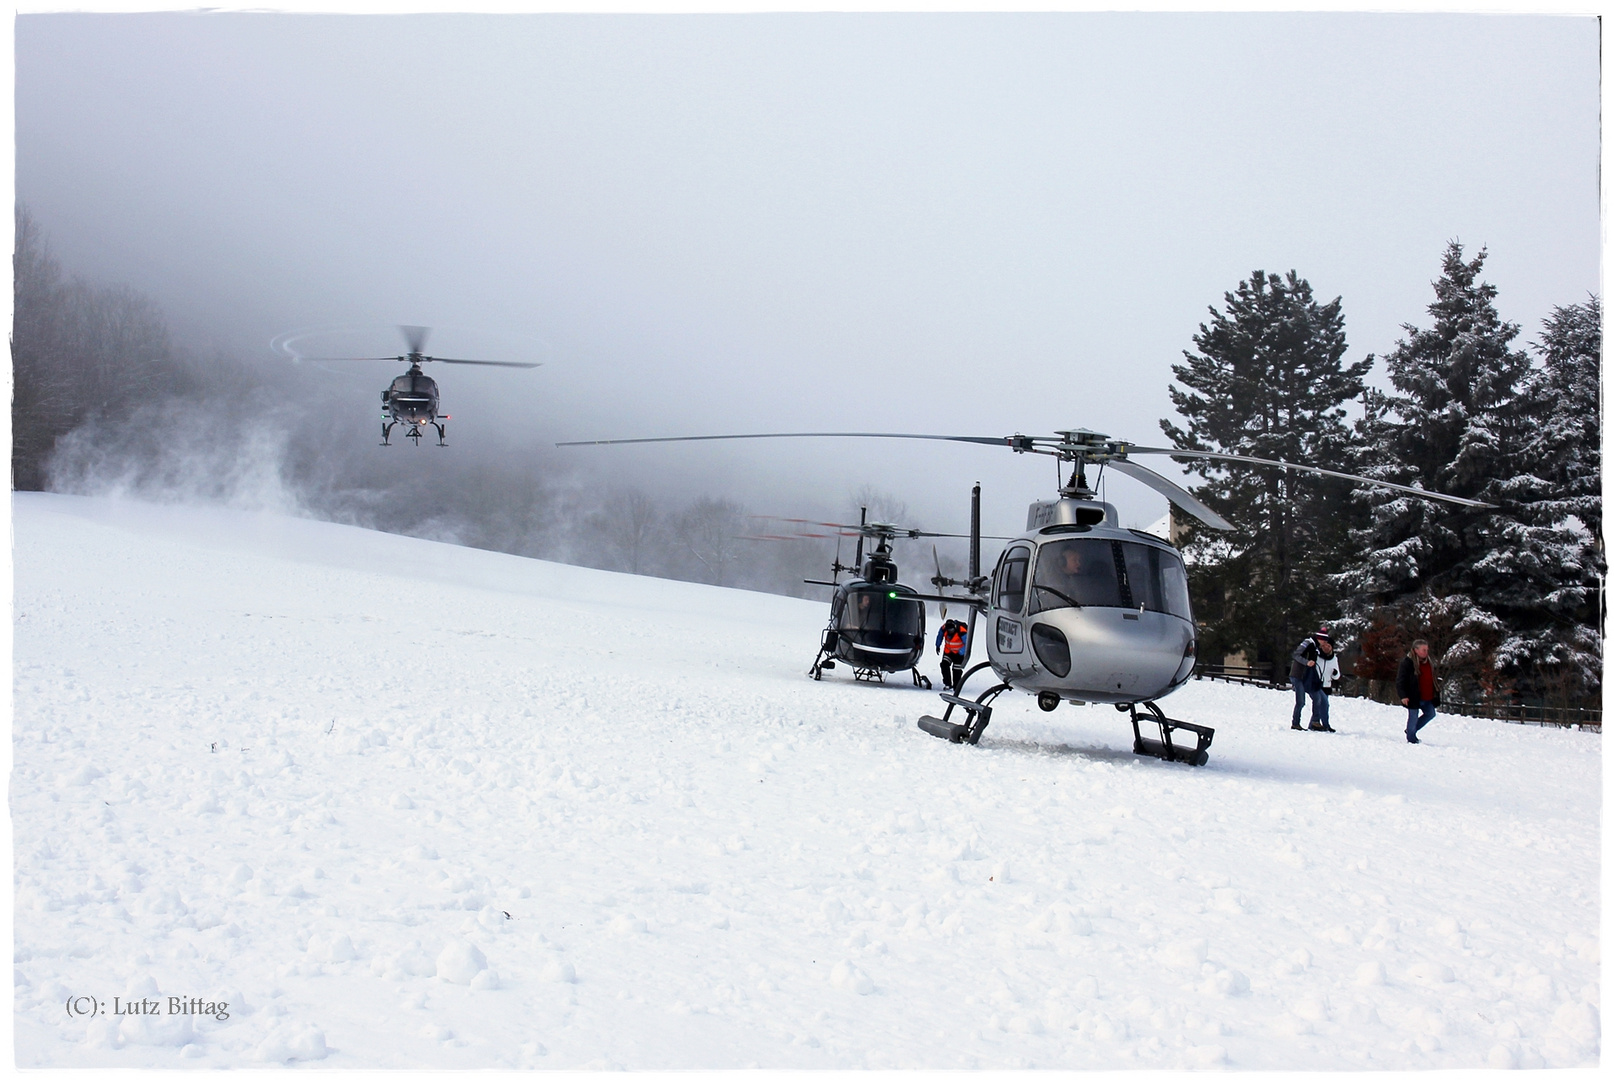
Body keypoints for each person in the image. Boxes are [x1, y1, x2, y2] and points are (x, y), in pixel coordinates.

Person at [1288, 627, 1331, 730]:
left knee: (1317, 698)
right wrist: (1306, 662)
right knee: (1301, 701)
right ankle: (1295, 723)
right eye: (1324, 640)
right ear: (1320, 639)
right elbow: (1296, 655)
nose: (1324, 643)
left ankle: (1315, 721)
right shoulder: (1307, 643)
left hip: (1308, 677)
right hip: (1298, 675)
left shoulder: (1316, 648)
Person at [1397, 639, 1439, 744]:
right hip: (1413, 696)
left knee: (1430, 714)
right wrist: (1403, 696)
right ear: (1416, 650)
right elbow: (1401, 680)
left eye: (1426, 650)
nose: (1426, 652)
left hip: (1428, 695)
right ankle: (1412, 739)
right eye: (1423, 650)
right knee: (1413, 717)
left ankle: (1411, 731)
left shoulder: (1429, 662)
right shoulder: (1407, 663)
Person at [1312, 633, 1340, 732]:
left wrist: (1335, 674)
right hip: (1316, 684)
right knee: (1323, 704)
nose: (1326, 648)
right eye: (1324, 646)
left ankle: (1317, 724)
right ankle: (1323, 724)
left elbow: (1337, 676)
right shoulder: (1317, 656)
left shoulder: (1334, 658)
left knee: (1322, 706)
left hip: (1327, 685)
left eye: (1328, 646)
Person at [935, 618, 969, 692]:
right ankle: (947, 684)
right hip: (948, 651)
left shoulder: (962, 631)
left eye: (951, 630)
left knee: (956, 670)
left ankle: (956, 686)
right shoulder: (944, 628)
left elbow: (967, 644)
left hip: (959, 654)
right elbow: (940, 635)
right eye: (948, 630)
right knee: (944, 665)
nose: (950, 632)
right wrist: (937, 645)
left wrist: (961, 652)